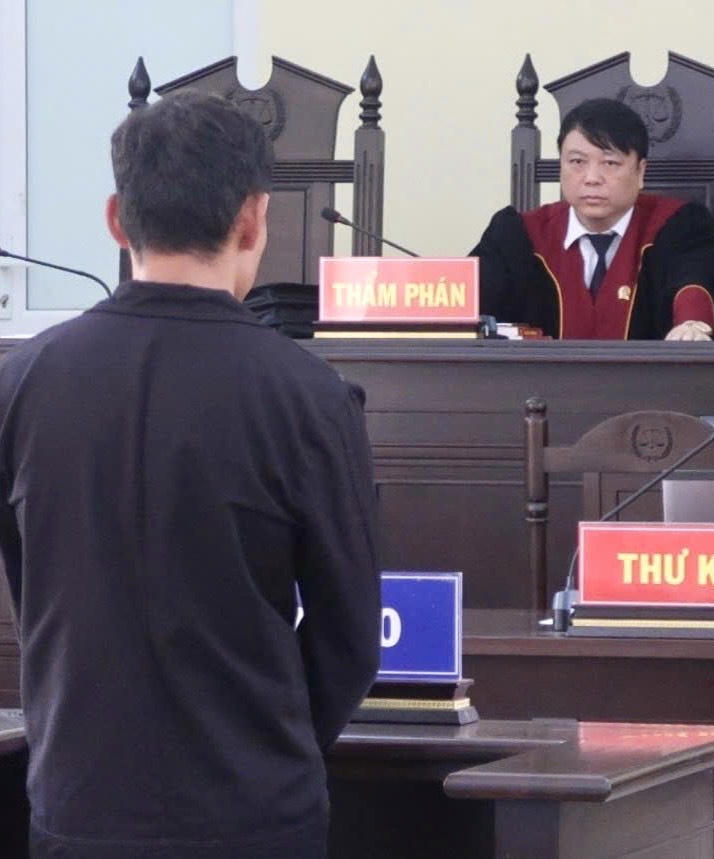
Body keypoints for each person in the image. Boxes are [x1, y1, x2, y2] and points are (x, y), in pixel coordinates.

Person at [0, 91, 380, 859]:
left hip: (81, 802)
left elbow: (26, 582)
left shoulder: (21, 383)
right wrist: (270, 741)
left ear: (116, 219)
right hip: (255, 810)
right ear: (254, 219)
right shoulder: (310, 397)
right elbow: (350, 637)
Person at [471, 98, 714, 340]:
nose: (592, 178)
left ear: (640, 172)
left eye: (610, 163)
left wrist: (691, 324)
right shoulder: (517, 235)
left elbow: (693, 282)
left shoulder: (681, 227)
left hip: (651, 375)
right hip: (539, 376)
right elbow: (464, 304)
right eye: (577, 161)